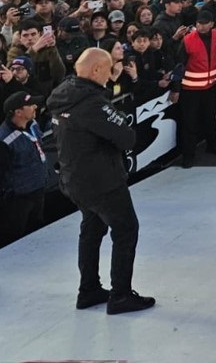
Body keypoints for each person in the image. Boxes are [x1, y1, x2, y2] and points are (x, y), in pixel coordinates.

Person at [47, 48, 155, 315]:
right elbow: (127, 136)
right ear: (96, 70)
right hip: (102, 181)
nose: (111, 77)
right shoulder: (92, 103)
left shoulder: (64, 93)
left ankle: (89, 289)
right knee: (126, 229)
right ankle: (120, 295)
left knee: (92, 229)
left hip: (74, 178)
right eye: (108, 70)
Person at [0, 92, 48, 246]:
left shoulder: (31, 124)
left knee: (37, 233)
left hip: (37, 190)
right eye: (31, 105)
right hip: (17, 201)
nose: (35, 107)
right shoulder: (1, 143)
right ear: (18, 112)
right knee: (15, 240)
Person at [173, 10, 216, 167]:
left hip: (211, 87)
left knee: (210, 119)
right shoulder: (187, 40)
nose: (201, 26)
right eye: (199, 23)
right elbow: (179, 66)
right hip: (190, 89)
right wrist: (176, 88)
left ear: (212, 24)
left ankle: (212, 145)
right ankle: (188, 154)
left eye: (205, 23)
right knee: (189, 123)